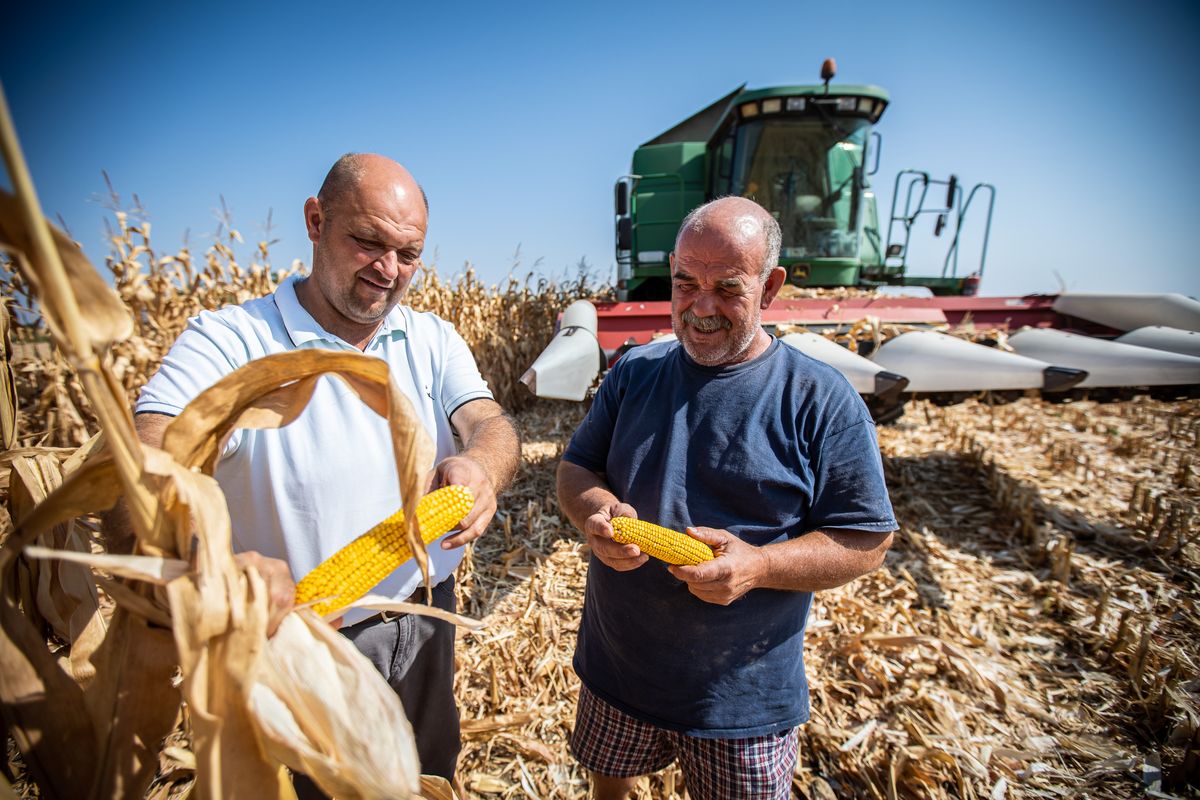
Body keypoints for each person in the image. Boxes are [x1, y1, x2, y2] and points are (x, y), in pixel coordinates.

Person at [132, 153, 521, 787]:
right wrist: (216, 566)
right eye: (367, 241)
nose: (387, 271)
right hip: (300, 640)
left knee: (424, 777)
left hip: (424, 617)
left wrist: (481, 465)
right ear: (316, 221)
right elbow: (144, 470)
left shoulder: (429, 338)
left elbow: (491, 423)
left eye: (409, 253)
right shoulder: (228, 342)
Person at [557, 196, 897, 800]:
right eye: (685, 283)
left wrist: (760, 566)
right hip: (619, 667)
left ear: (771, 289)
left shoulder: (821, 399)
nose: (700, 307)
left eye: (728, 288)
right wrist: (595, 512)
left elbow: (866, 541)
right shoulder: (634, 374)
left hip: (742, 697)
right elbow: (578, 467)